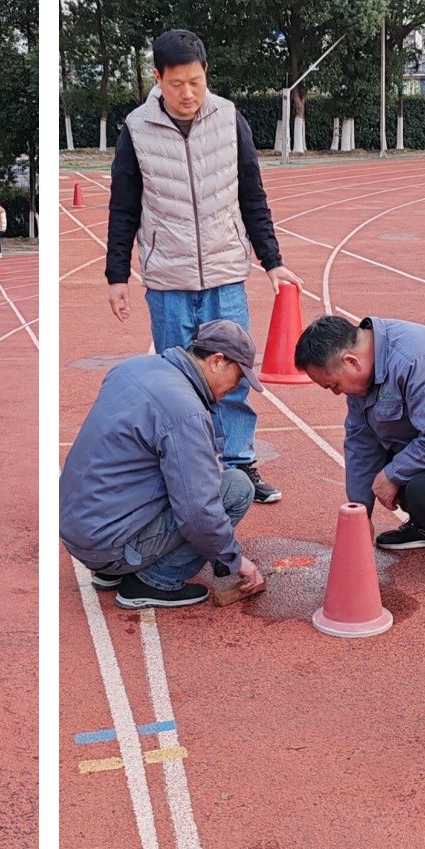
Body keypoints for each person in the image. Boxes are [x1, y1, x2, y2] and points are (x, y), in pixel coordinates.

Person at [106, 29, 305, 507]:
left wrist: (272, 261)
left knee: (233, 373)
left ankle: (239, 463)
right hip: (168, 279)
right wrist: (117, 276)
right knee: (177, 383)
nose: (188, 93)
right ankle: (188, 470)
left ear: (206, 73)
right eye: (177, 84)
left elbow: (252, 195)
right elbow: (124, 208)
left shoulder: (230, 119)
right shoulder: (136, 129)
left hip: (225, 273)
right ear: (158, 78)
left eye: (196, 81)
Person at [60, 319, 267, 610]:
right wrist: (234, 559)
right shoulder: (186, 412)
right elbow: (199, 511)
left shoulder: (132, 367)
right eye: (238, 377)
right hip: (107, 545)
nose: (235, 387)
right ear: (217, 361)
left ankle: (112, 571)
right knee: (237, 488)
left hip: (77, 528)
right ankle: (154, 581)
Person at [295, 314, 425, 591]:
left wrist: (392, 474)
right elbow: (360, 442)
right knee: (387, 468)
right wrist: (360, 514)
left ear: (351, 361)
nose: (336, 393)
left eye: (333, 385)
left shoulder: (418, 360)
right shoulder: (363, 377)